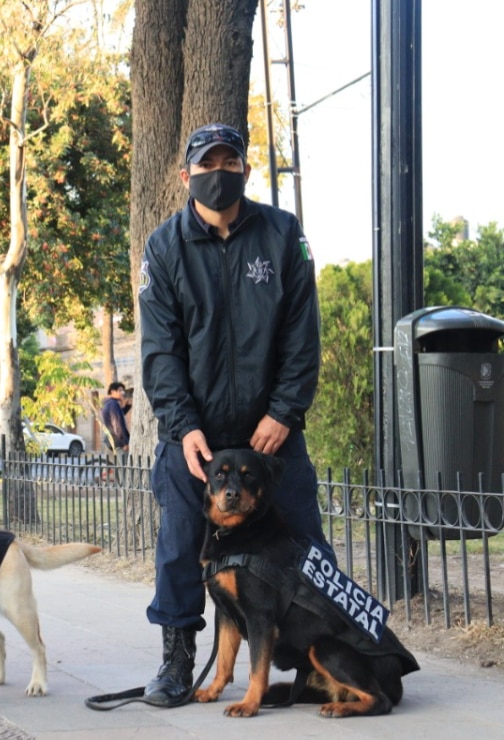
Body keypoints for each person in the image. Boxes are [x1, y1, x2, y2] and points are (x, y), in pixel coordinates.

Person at [136, 122, 334, 706]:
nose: (218, 173)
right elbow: (160, 351)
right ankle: (177, 660)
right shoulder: (164, 248)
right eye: (206, 164)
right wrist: (183, 426)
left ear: (246, 170)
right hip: (193, 437)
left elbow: (302, 336)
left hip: (270, 436)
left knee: (305, 542)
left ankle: (326, 655)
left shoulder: (283, 234)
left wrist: (284, 412)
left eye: (229, 162)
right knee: (180, 544)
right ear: (185, 175)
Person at [101, 381, 130, 452]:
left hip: (113, 442)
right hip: (118, 443)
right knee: (123, 459)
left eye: (123, 390)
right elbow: (117, 425)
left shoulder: (108, 403)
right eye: (120, 390)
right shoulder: (113, 404)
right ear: (113, 392)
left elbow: (117, 416)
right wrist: (124, 443)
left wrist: (127, 407)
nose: (123, 393)